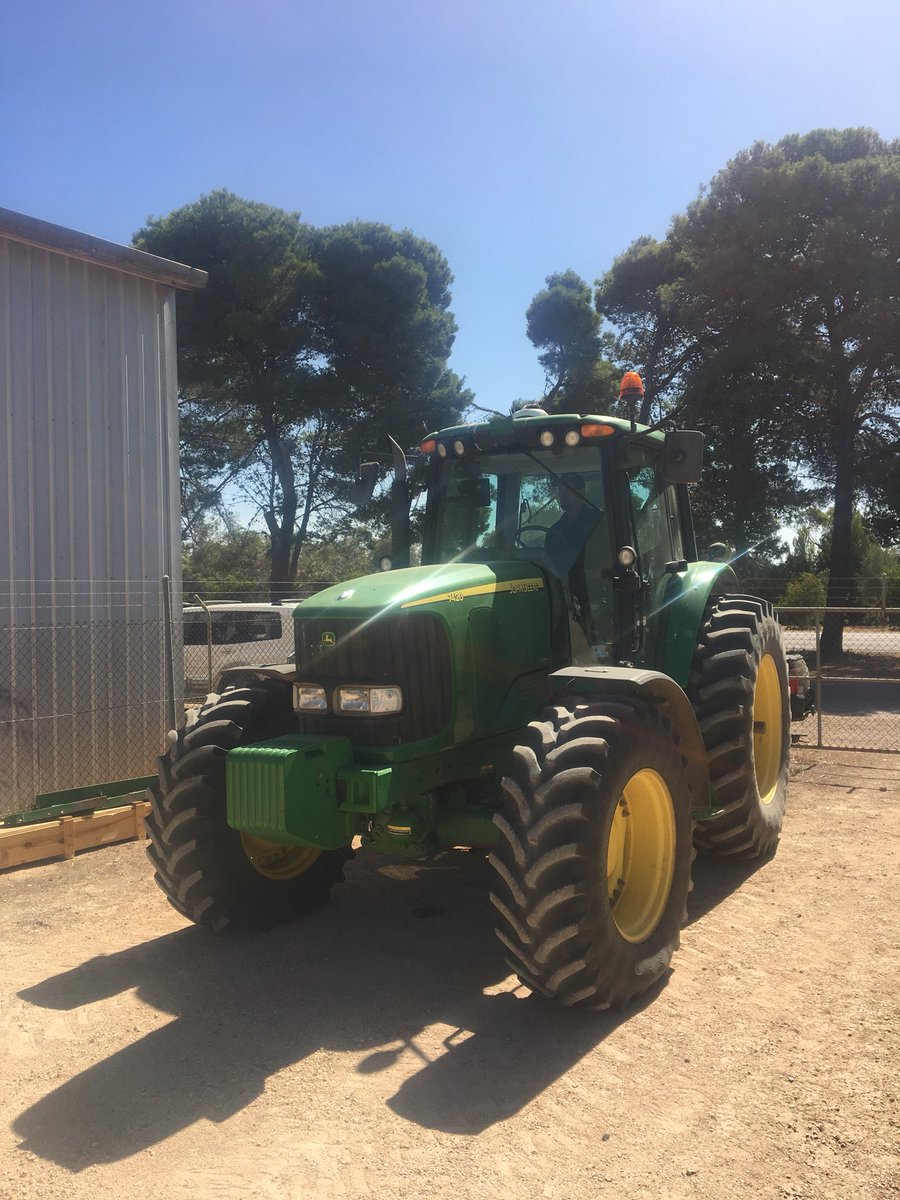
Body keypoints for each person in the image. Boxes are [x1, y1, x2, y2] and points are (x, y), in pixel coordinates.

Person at [544, 473, 598, 581]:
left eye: (567, 490)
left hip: (592, 586)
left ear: (581, 492)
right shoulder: (555, 529)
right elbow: (548, 563)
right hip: (561, 587)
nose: (562, 495)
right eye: (560, 491)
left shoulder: (598, 522)